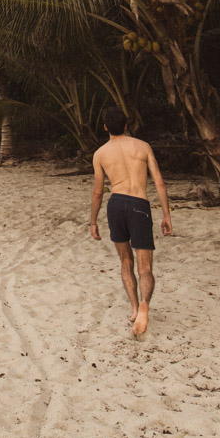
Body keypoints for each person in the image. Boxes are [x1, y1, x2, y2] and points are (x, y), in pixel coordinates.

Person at [88, 106, 172, 336]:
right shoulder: (142, 147)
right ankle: (145, 304)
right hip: (139, 205)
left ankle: (134, 307)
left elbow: (97, 192)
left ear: (105, 127)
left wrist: (93, 221)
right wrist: (166, 214)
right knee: (145, 266)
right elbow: (160, 182)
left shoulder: (100, 154)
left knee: (126, 262)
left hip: (115, 205)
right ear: (126, 125)